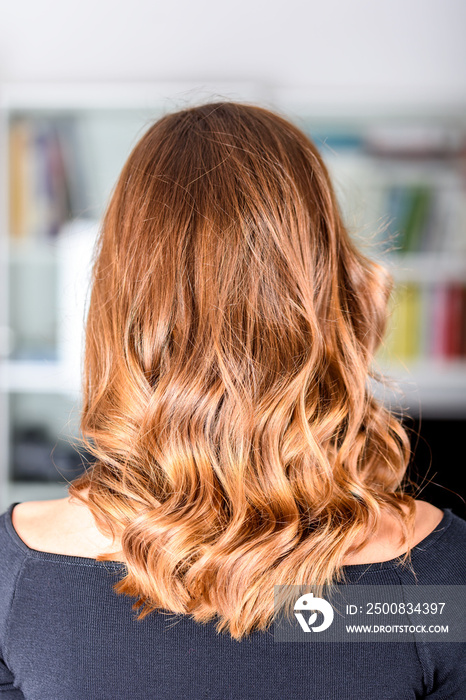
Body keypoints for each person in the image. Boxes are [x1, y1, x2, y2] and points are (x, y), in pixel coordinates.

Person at [0, 101, 464, 699]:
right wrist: (352, 355)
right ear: (337, 296)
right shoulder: (435, 583)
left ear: (117, 304)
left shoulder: (18, 576)